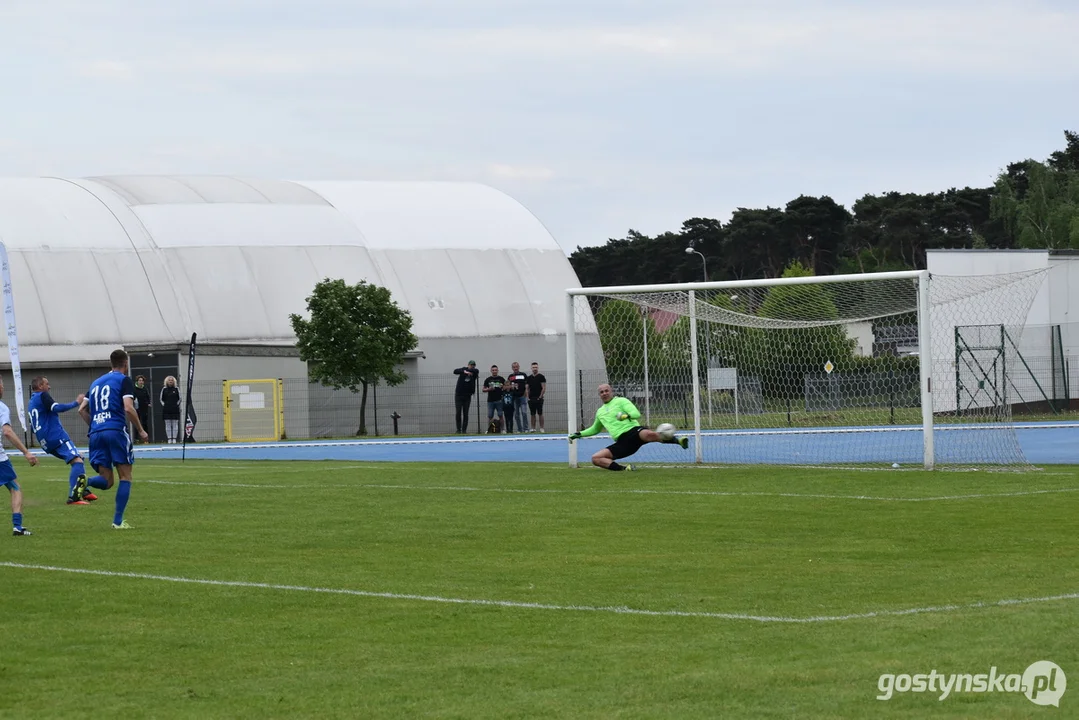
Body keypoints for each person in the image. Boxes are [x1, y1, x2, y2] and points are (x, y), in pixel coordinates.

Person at [77, 349, 149, 529]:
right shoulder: (124, 380)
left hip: (96, 433)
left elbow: (81, 409)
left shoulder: (95, 383)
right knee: (125, 476)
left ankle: (86, 480)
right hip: (115, 430)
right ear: (126, 364)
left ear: (111, 363)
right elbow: (128, 408)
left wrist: (94, 426)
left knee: (107, 481)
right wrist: (141, 430)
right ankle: (117, 521)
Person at [569, 383, 688, 471]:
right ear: (599, 395)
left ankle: (679, 441)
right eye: (602, 392)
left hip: (634, 432)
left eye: (606, 391)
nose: (604, 393)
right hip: (622, 443)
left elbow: (636, 414)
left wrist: (625, 416)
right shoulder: (600, 412)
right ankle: (625, 469)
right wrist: (578, 434)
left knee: (648, 434)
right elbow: (595, 429)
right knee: (596, 458)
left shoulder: (621, 401)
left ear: (611, 391)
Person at [27, 376, 104, 505]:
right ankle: (74, 497)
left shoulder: (31, 402)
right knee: (77, 461)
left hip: (45, 442)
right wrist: (76, 402)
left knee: (77, 457)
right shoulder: (43, 395)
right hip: (56, 437)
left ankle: (83, 490)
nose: (49, 386)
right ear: (40, 386)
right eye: (47, 384)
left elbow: (32, 426)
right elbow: (57, 408)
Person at [0, 377, 39, 535]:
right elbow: (7, 431)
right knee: (15, 488)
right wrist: (26, 452)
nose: (3, 387)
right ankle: (17, 527)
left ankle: (18, 527)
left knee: (13, 485)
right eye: (1, 384)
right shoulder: (2, 408)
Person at [452, 361, 479, 433]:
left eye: (473, 365)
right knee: (458, 412)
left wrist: (469, 371)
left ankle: (464, 430)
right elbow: (455, 371)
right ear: (468, 365)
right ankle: (458, 429)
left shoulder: (475, 372)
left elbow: (476, 371)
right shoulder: (463, 370)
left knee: (465, 413)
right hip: (459, 395)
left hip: (467, 395)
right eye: (471, 365)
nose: (472, 366)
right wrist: (465, 372)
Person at [506, 362, 529, 434]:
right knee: (516, 414)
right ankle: (519, 429)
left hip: (522, 396)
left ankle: (526, 429)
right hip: (514, 398)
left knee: (524, 413)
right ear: (512, 368)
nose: (515, 368)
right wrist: (510, 387)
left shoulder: (523, 375)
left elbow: (527, 385)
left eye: (516, 367)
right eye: (514, 367)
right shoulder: (510, 376)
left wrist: (526, 392)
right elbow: (507, 386)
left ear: (519, 367)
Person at [483, 365, 506, 433]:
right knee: (490, 416)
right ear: (491, 371)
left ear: (497, 371)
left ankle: (503, 429)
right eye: (493, 370)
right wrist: (489, 389)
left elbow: (506, 388)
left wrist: (503, 387)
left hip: (499, 400)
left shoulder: (501, 379)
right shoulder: (488, 379)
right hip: (490, 401)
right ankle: (490, 430)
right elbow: (483, 389)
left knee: (500, 415)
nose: (494, 371)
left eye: (495, 370)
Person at [525, 362, 547, 433]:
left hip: (539, 398)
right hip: (531, 398)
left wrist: (540, 397)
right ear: (531, 368)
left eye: (536, 367)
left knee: (540, 413)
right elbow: (527, 389)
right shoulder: (529, 378)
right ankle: (533, 428)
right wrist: (528, 397)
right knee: (532, 414)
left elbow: (543, 388)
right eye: (533, 367)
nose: (535, 369)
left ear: (538, 368)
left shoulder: (541, 377)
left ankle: (541, 428)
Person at [160, 375, 181, 443]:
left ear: (174, 381)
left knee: (175, 424)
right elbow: (161, 399)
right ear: (167, 381)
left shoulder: (176, 389)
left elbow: (180, 399)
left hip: (175, 409)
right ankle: (169, 439)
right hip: (166, 409)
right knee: (168, 424)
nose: (170, 381)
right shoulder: (164, 389)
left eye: (172, 380)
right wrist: (165, 405)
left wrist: (176, 404)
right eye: (169, 380)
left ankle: (174, 439)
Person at [133, 375, 152, 443]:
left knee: (145, 423)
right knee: (137, 423)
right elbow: (132, 398)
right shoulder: (134, 389)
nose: (141, 382)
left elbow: (148, 397)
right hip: (137, 408)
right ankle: (136, 439)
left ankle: (146, 439)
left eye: (142, 380)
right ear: (137, 381)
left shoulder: (145, 389)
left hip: (144, 408)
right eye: (139, 380)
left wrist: (148, 403)